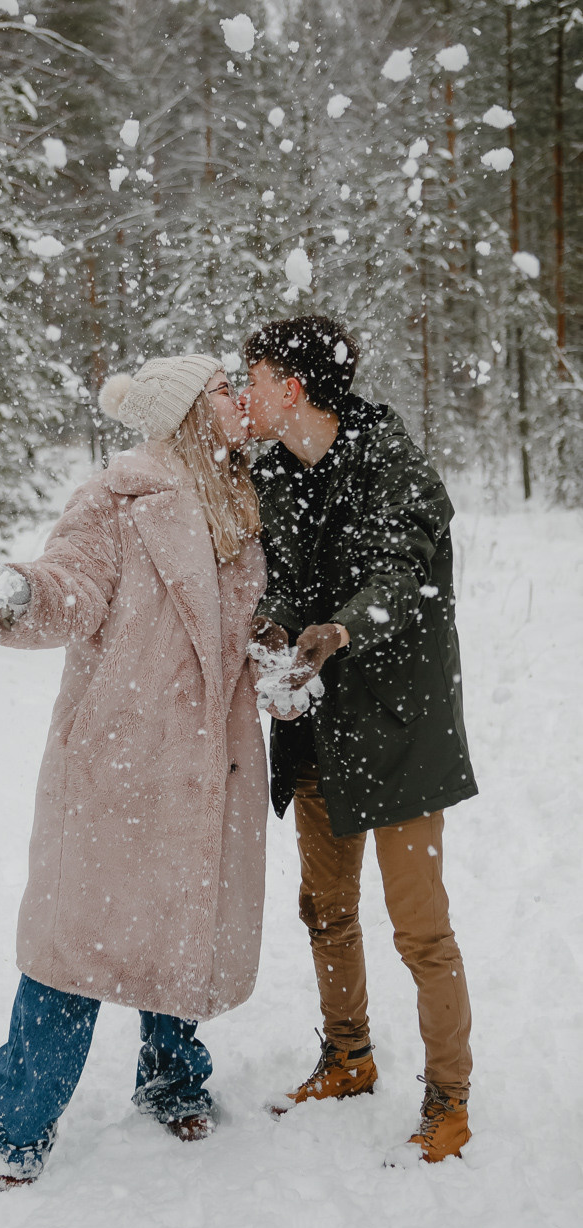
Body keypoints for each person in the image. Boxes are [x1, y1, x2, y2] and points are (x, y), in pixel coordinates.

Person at [0, 355, 268, 1188]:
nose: (239, 397)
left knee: (181, 929)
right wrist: (20, 592)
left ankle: (170, 1079)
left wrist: (283, 667)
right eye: (224, 388)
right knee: (71, 954)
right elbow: (72, 584)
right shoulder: (118, 498)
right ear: (191, 409)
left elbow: (248, 632)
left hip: (208, 762)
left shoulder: (243, 500)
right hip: (122, 760)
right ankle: (17, 1127)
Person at [240, 315, 476, 1163]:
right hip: (314, 730)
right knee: (324, 909)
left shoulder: (392, 463)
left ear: (293, 389)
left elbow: (399, 576)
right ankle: (347, 1055)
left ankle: (448, 1099)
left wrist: (335, 634)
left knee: (420, 930)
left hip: (396, 725)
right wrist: (272, 630)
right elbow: (283, 578)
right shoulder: (273, 471)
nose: (245, 392)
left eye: (254, 376)